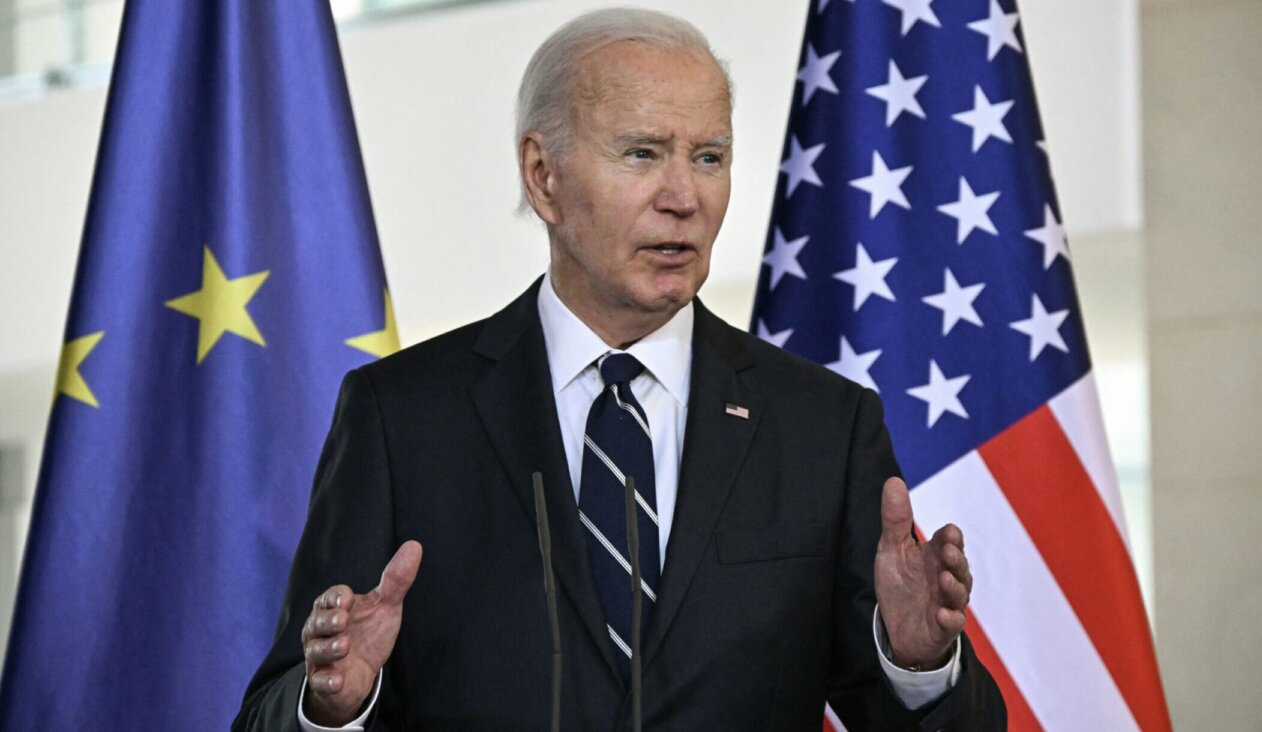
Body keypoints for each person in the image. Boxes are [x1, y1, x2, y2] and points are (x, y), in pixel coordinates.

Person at [234, 8, 1005, 730]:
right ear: (543, 176)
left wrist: (916, 660)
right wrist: (335, 702)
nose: (683, 197)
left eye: (709, 157)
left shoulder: (823, 428)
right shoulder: (403, 419)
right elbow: (271, 707)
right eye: (642, 153)